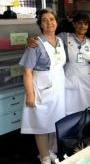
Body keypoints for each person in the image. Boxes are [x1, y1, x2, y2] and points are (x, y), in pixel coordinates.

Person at [19, 9, 66, 164]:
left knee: (55, 121)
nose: (49, 23)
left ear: (56, 22)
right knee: (41, 124)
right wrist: (30, 94)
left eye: (52, 19)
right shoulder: (35, 44)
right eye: (44, 20)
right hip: (40, 90)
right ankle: (44, 157)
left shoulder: (59, 40)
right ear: (40, 24)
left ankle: (51, 151)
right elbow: (26, 70)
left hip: (58, 89)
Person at [26, 13, 90, 116]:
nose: (82, 26)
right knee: (71, 105)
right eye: (79, 23)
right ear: (74, 24)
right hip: (70, 75)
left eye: (85, 23)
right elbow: (48, 38)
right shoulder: (64, 37)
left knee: (88, 104)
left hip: (87, 77)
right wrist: (31, 38)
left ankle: (88, 126)